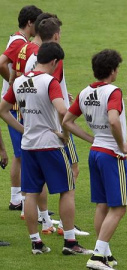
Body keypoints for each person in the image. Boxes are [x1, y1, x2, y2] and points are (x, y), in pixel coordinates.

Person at [0, 42, 90, 255]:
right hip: (50, 144)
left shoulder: (19, 81)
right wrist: (65, 134)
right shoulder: (50, 82)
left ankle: (36, 243)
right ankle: (70, 242)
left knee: (31, 193)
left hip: (29, 146)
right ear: (54, 62)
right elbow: (62, 110)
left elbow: (3, 111)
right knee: (67, 191)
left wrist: (23, 129)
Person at [15, 14, 89, 236]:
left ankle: (43, 223)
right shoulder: (53, 58)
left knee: (32, 188)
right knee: (69, 180)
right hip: (53, 128)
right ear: (56, 35)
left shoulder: (30, 57)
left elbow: (17, 87)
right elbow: (57, 101)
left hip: (30, 130)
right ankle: (68, 230)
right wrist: (65, 131)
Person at [63, 49, 127, 269]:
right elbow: (113, 120)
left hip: (96, 152)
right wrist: (122, 145)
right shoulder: (113, 92)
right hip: (111, 154)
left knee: (102, 204)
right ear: (112, 71)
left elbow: (67, 121)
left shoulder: (84, 92)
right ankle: (98, 256)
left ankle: (106, 255)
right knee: (118, 207)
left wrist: (91, 138)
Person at [0, 5, 42, 212]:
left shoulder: (18, 40)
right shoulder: (19, 43)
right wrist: (11, 82)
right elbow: (1, 62)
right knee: (23, 153)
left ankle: (18, 198)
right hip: (16, 105)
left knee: (19, 154)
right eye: (38, 24)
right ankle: (23, 201)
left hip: (16, 102)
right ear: (30, 23)